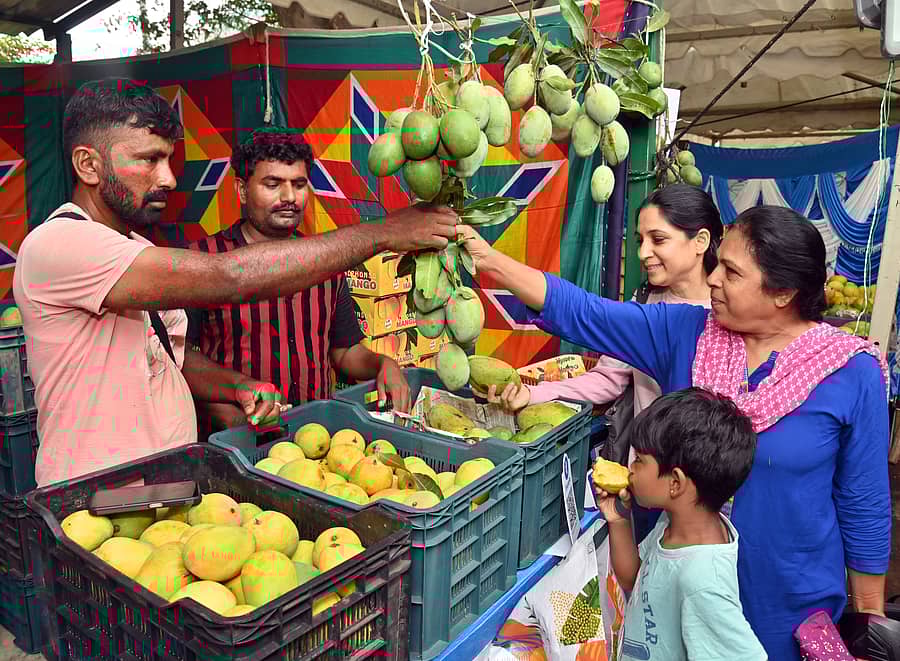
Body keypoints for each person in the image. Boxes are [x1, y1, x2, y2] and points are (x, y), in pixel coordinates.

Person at [457, 205, 891, 660]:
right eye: (717, 263)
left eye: (731, 271)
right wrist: (490, 261)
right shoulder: (686, 332)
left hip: (789, 614)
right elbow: (587, 313)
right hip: (676, 601)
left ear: (782, 292)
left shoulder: (851, 371)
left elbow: (864, 506)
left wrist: (868, 625)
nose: (714, 280)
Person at [12, 78, 456, 487]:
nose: (168, 178)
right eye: (149, 159)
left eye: (168, 159)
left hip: (169, 483)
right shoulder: (61, 243)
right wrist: (382, 232)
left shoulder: (134, 248)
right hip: (97, 497)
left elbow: (175, 357)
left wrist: (237, 386)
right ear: (88, 165)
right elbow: (229, 276)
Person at [489, 184, 720, 542]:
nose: (644, 252)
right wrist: (535, 395)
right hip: (644, 480)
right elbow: (608, 379)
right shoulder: (645, 301)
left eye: (658, 239)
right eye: (640, 239)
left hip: (705, 490)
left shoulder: (726, 315)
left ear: (700, 241)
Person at [186, 128, 409, 432]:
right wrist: (228, 411)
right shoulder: (203, 261)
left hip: (315, 438)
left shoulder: (326, 262)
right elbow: (181, 360)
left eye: (299, 184)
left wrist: (384, 365)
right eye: (273, 184)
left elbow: (344, 351)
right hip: (236, 441)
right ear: (241, 190)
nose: (289, 197)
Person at [595, 387, 765, 660]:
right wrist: (618, 519)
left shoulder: (702, 581)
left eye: (639, 460)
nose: (631, 467)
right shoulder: (676, 524)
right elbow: (635, 579)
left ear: (675, 483)